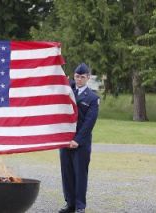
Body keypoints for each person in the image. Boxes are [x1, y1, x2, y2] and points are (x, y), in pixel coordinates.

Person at [59, 63, 99, 213]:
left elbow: (89, 122)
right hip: (64, 140)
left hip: (80, 143)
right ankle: (70, 204)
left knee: (80, 174)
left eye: (82, 77)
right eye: (77, 76)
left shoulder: (93, 98)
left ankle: (80, 206)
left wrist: (77, 140)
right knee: (67, 174)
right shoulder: (68, 90)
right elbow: (58, 79)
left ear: (88, 78)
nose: (79, 79)